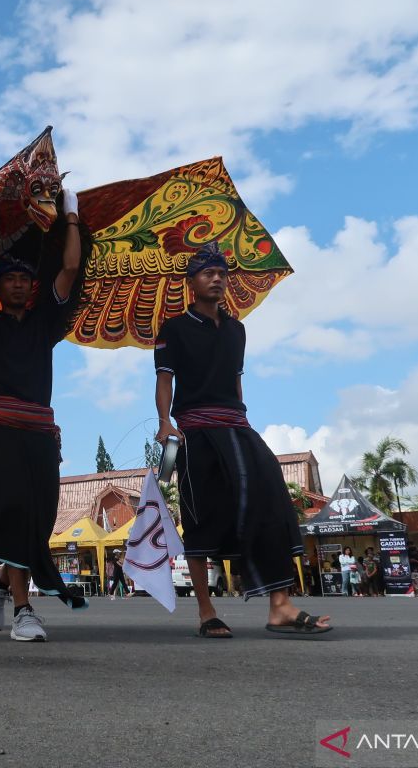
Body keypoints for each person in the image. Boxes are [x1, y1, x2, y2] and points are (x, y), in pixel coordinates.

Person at [155, 242, 331, 637]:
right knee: (202, 515)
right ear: (192, 282)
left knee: (272, 499)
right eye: (207, 273)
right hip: (194, 431)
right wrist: (164, 422)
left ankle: (280, 607)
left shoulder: (237, 329)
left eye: (221, 273)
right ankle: (206, 611)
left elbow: (235, 380)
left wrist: (244, 418)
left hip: (237, 426)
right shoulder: (174, 328)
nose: (217, 279)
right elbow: (164, 379)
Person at [0, 186, 86, 643]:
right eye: (10, 278)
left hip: (42, 431)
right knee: (11, 512)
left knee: (41, 516)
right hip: (2, 430)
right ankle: (25, 611)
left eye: (26, 279)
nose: (20, 283)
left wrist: (71, 217)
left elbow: (70, 266)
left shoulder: (46, 321)